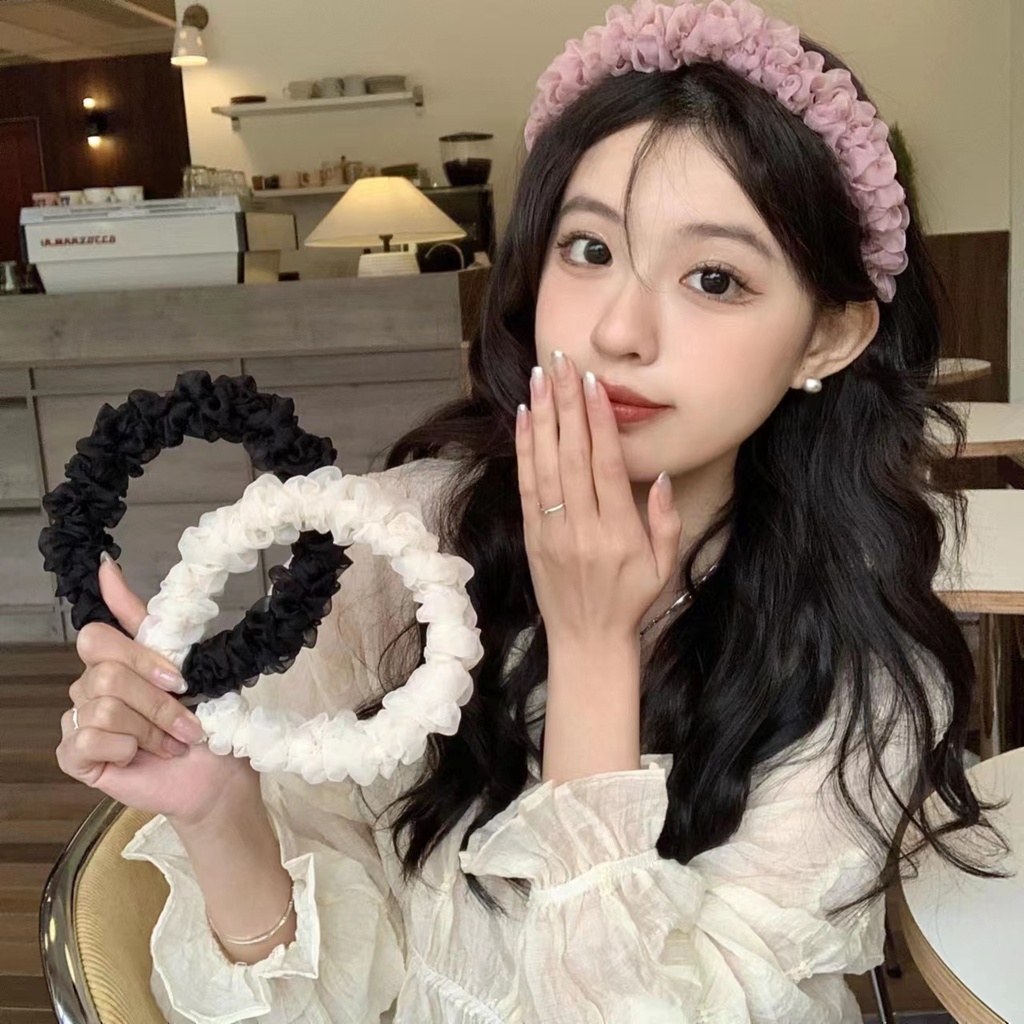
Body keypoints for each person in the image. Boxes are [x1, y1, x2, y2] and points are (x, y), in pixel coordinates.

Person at [55, 1, 1003, 1020]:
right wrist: (219, 814)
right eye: (588, 251)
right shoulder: (398, 555)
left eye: (714, 277)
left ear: (827, 336)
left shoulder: (862, 678)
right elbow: (331, 1003)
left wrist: (593, 653)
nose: (619, 330)